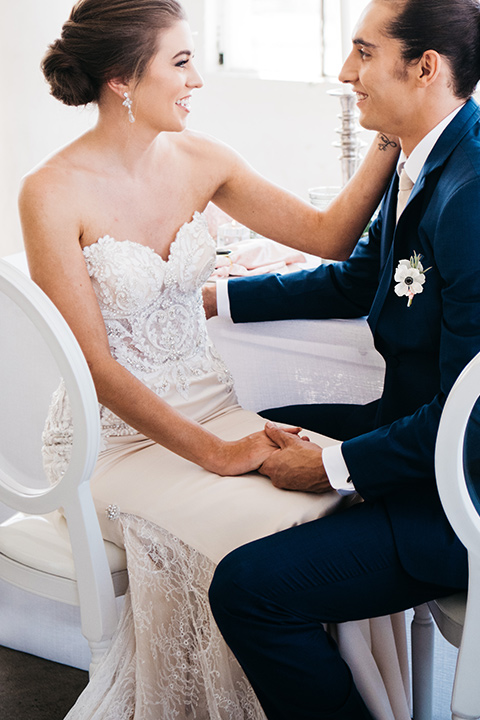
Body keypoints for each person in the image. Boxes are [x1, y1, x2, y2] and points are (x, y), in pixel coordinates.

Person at [19, 1, 401, 718]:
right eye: (182, 62)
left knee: (346, 506)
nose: (197, 80)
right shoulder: (49, 192)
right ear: (121, 80)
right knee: (263, 539)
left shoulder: (205, 160)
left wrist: (392, 128)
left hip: (217, 409)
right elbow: (96, 368)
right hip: (108, 444)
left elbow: (330, 234)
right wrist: (220, 455)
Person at [208, 0, 480, 718]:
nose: (343, 73)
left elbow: (467, 422)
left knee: (247, 591)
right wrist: (221, 299)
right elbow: (359, 278)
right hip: (416, 429)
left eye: (363, 52)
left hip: (458, 494)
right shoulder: (420, 153)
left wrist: (330, 466)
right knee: (247, 423)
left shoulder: (473, 192)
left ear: (425, 68)